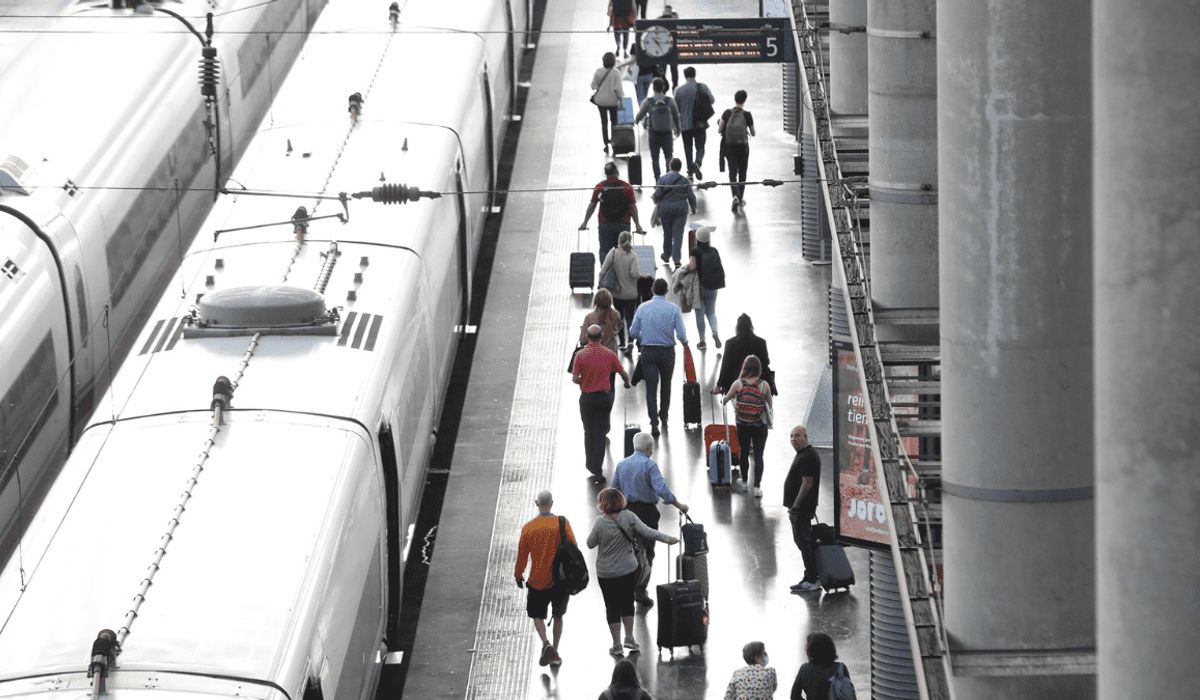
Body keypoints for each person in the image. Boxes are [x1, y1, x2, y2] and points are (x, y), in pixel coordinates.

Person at [587, 488, 677, 656]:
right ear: (620, 501)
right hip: (628, 570)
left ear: (602, 504)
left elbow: (590, 543)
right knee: (628, 602)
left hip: (606, 572)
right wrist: (668, 539)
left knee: (611, 606)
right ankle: (629, 638)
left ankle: (616, 644)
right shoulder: (629, 517)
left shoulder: (600, 522)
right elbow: (648, 532)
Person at [611, 432, 689, 605]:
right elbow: (661, 489)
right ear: (648, 448)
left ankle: (626, 588)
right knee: (647, 552)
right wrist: (679, 505)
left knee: (629, 550)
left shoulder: (621, 464)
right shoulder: (649, 465)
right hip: (646, 513)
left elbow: (613, 490)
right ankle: (640, 590)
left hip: (626, 512)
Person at [515, 490, 577, 667]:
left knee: (537, 615)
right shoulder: (562, 524)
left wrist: (518, 575)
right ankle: (555, 653)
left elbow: (522, 556)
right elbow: (574, 546)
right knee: (558, 615)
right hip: (560, 581)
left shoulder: (528, 528)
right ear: (552, 503)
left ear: (537, 503)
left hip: (537, 580)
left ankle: (545, 643)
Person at [629, 278, 688, 436]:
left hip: (648, 351)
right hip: (667, 352)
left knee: (651, 389)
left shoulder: (642, 308)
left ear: (652, 290)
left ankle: (654, 422)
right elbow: (681, 334)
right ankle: (664, 415)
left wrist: (643, 337)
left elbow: (632, 332)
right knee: (666, 385)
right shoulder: (673, 309)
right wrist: (685, 342)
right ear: (667, 291)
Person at [573, 324, 631, 482]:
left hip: (587, 399)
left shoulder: (580, 354)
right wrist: (627, 383)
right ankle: (597, 468)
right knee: (600, 433)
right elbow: (623, 373)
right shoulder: (609, 354)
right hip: (604, 398)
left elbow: (575, 378)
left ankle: (590, 464)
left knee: (588, 431)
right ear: (601, 336)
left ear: (587, 337)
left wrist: (585, 381)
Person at [722, 355, 774, 498]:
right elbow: (769, 405)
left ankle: (744, 482)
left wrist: (727, 399)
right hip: (760, 425)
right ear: (758, 369)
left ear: (744, 368)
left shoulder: (738, 384)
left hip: (743, 424)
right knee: (758, 456)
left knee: (744, 453)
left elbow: (725, 400)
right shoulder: (764, 385)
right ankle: (757, 487)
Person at [581, 162, 644, 265]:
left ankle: (606, 272)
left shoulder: (600, 187)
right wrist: (637, 224)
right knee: (624, 251)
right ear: (617, 172)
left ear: (606, 174)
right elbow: (632, 207)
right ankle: (622, 272)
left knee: (605, 251)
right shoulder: (626, 187)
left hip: (605, 225)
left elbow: (592, 205)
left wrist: (585, 222)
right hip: (623, 225)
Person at [784, 425, 822, 593]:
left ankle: (813, 579)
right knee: (802, 541)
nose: (793, 439)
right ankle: (809, 576)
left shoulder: (808, 456)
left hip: (802, 508)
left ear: (806, 437)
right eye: (791, 436)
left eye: (797, 436)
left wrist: (795, 507)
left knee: (804, 542)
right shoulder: (803, 454)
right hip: (799, 508)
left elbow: (807, 484)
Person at [599, 231, 642, 353]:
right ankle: (631, 341)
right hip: (631, 294)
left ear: (619, 240)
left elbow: (603, 270)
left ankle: (622, 342)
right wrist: (643, 275)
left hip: (616, 293)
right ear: (630, 241)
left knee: (619, 317)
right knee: (630, 317)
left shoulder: (613, 253)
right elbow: (635, 274)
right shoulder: (633, 256)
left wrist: (600, 282)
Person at [634, 77, 681, 182]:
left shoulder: (648, 101)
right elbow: (676, 115)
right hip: (667, 133)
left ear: (653, 88)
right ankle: (669, 179)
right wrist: (678, 129)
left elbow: (640, 115)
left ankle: (658, 180)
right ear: (663, 87)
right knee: (668, 157)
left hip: (654, 133)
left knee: (655, 158)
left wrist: (636, 121)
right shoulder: (670, 101)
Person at [652, 158, 697, 267]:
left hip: (665, 209)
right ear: (680, 168)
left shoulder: (662, 179)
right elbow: (691, 196)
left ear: (670, 166)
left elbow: (657, 195)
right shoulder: (684, 180)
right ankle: (676, 259)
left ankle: (667, 254)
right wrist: (693, 208)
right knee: (678, 234)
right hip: (680, 209)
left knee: (667, 233)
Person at [674, 66, 716, 179]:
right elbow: (712, 100)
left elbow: (676, 109)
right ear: (694, 74)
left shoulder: (679, 90)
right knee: (700, 147)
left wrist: (676, 126)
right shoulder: (703, 87)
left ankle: (690, 173)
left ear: (685, 76)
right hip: (700, 123)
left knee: (688, 149)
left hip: (685, 125)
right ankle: (697, 163)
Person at [716, 314, 775, 395]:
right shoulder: (761, 342)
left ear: (737, 327)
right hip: (757, 383)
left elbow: (726, 366)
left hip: (736, 383)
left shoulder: (730, 343)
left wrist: (718, 386)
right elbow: (766, 362)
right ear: (751, 327)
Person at [718, 90, 756, 212]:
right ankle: (740, 198)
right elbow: (753, 133)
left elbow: (719, 130)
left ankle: (735, 195)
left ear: (735, 99)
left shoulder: (727, 113)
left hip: (729, 147)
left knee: (732, 172)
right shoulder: (747, 115)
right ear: (744, 100)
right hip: (743, 148)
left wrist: (721, 123)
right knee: (743, 173)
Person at [688, 226, 725, 349]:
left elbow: (692, 267)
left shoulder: (694, 251)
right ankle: (715, 332)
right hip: (713, 286)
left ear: (697, 238)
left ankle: (702, 341)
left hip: (700, 286)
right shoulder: (714, 250)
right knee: (711, 312)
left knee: (700, 314)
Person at [791, 633, 853, 699]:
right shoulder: (840, 668)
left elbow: (794, 696)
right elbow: (849, 692)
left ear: (810, 650)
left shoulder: (805, 669)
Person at [592, 52, 632, 153]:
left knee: (604, 122)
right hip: (613, 101)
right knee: (614, 122)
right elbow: (619, 89)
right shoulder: (616, 73)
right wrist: (622, 100)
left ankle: (606, 143)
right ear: (613, 61)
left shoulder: (598, 72)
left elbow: (593, 86)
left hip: (601, 101)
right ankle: (614, 142)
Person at [581, 288, 625, 354]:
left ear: (595, 300)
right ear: (610, 300)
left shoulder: (589, 317)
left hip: (594, 353)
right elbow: (618, 328)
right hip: (611, 352)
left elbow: (582, 340)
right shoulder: (616, 315)